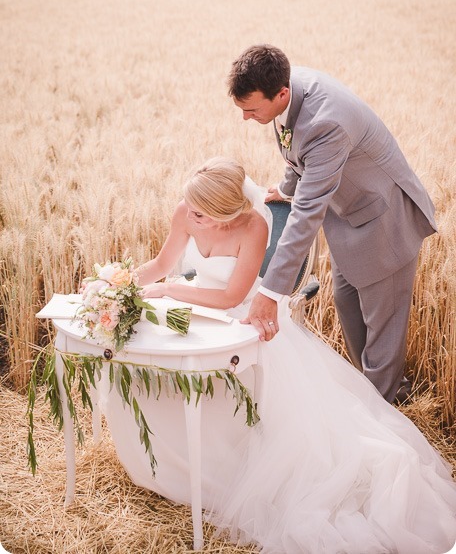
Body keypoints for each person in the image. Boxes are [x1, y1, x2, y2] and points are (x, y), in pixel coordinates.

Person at [101, 157, 456, 554]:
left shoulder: (252, 225)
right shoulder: (187, 208)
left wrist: (168, 291)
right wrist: (117, 284)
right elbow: (164, 264)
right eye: (190, 209)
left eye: (201, 213)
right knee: (144, 356)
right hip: (196, 310)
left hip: (240, 319)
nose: (190, 216)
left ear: (225, 214)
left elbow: (231, 296)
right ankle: (167, 465)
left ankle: (223, 471)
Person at [228, 44, 437, 404]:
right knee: (347, 304)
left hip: (382, 223)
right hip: (349, 220)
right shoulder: (289, 89)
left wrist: (270, 294)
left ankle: (383, 417)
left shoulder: (326, 122)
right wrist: (286, 186)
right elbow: (299, 154)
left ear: (281, 93)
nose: (246, 118)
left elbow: (305, 215)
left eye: (251, 110)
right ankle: (377, 395)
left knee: (381, 331)